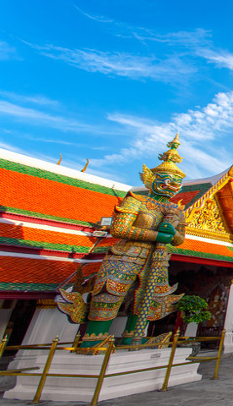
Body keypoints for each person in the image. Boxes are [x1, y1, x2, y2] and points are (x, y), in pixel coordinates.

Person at [58, 135, 186, 350]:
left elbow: (179, 239)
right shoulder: (135, 202)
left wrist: (172, 232)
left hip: (157, 259)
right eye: (165, 179)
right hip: (127, 254)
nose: (171, 185)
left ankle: (133, 337)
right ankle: (94, 338)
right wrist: (157, 236)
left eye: (176, 182)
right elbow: (119, 229)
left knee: (148, 297)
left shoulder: (175, 211)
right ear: (150, 179)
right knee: (110, 292)